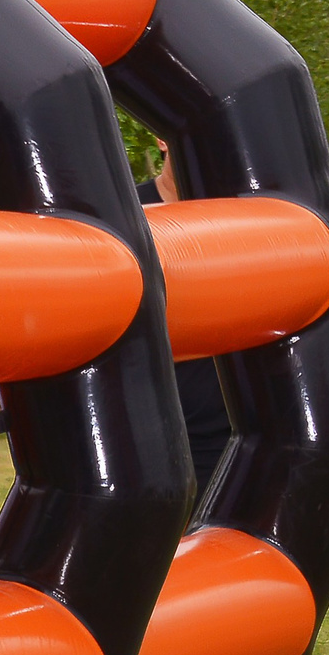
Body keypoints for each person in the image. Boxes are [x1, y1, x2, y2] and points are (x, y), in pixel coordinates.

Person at [143, 141, 235, 500]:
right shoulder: (124, 214)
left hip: (236, 438)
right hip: (150, 442)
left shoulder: (247, 218)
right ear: (161, 140)